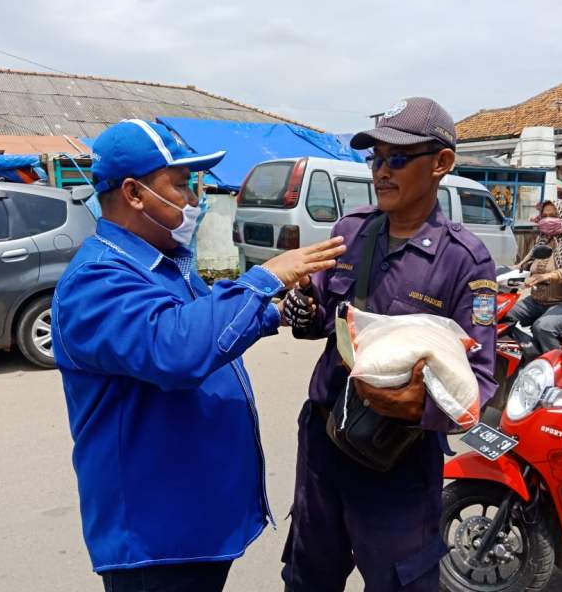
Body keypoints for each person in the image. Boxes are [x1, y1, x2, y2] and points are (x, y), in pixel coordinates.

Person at [50, 120, 346, 592]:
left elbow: (206, 323)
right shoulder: (98, 279)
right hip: (156, 541)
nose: (195, 199)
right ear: (134, 193)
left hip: (192, 523)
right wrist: (265, 278)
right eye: (182, 185)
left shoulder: (162, 261)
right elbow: (176, 348)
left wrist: (276, 315)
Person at [279, 98, 498, 591]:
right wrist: (305, 310)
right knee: (309, 575)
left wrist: (418, 407)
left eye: (397, 158)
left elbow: (479, 385)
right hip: (325, 440)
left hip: (398, 458)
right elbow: (323, 316)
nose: (381, 171)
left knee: (400, 583)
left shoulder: (466, 262)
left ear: (441, 163)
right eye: (375, 158)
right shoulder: (351, 233)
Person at [506, 199, 562, 352]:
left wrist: (548, 276)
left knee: (543, 327)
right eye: (544, 215)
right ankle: (529, 353)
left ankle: (555, 370)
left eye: (553, 215)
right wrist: (492, 271)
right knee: (502, 316)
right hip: (536, 301)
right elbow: (522, 266)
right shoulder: (541, 241)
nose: (548, 219)